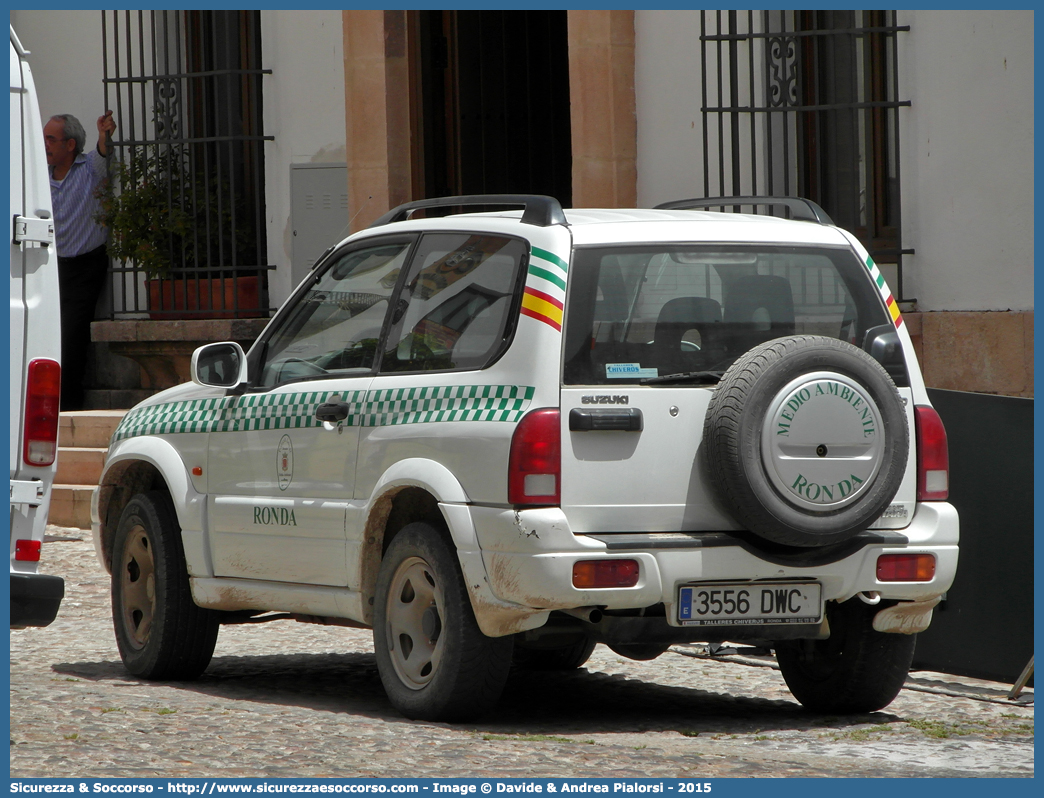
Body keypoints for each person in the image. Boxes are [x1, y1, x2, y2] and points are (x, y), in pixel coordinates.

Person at [44, 111, 116, 410]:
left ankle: (69, 405)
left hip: (85, 265)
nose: (44, 144)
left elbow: (103, 156)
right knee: (48, 334)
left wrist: (103, 135)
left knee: (72, 335)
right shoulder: (39, 174)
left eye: (51, 139)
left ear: (70, 144)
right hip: (51, 267)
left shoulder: (89, 169)